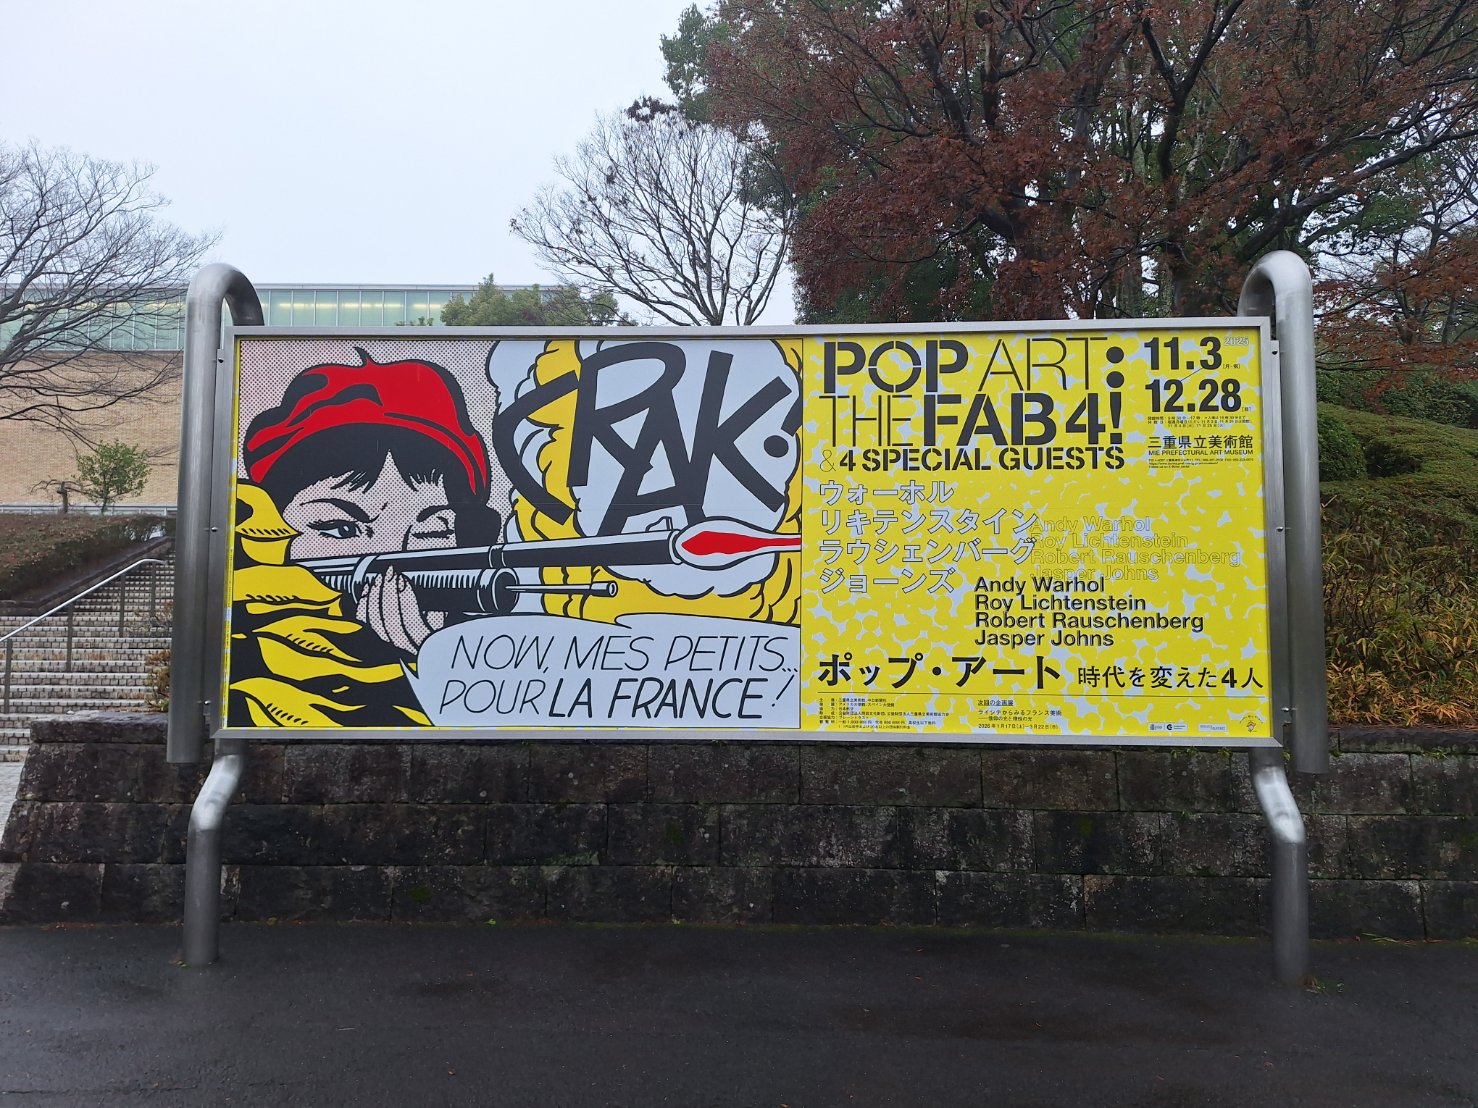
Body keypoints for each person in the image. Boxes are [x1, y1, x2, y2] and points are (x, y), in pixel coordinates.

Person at [227, 351, 499, 727]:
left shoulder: (489, 651)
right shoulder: (241, 666)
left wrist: (436, 667)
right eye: (340, 529)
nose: (391, 559)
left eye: (433, 531)